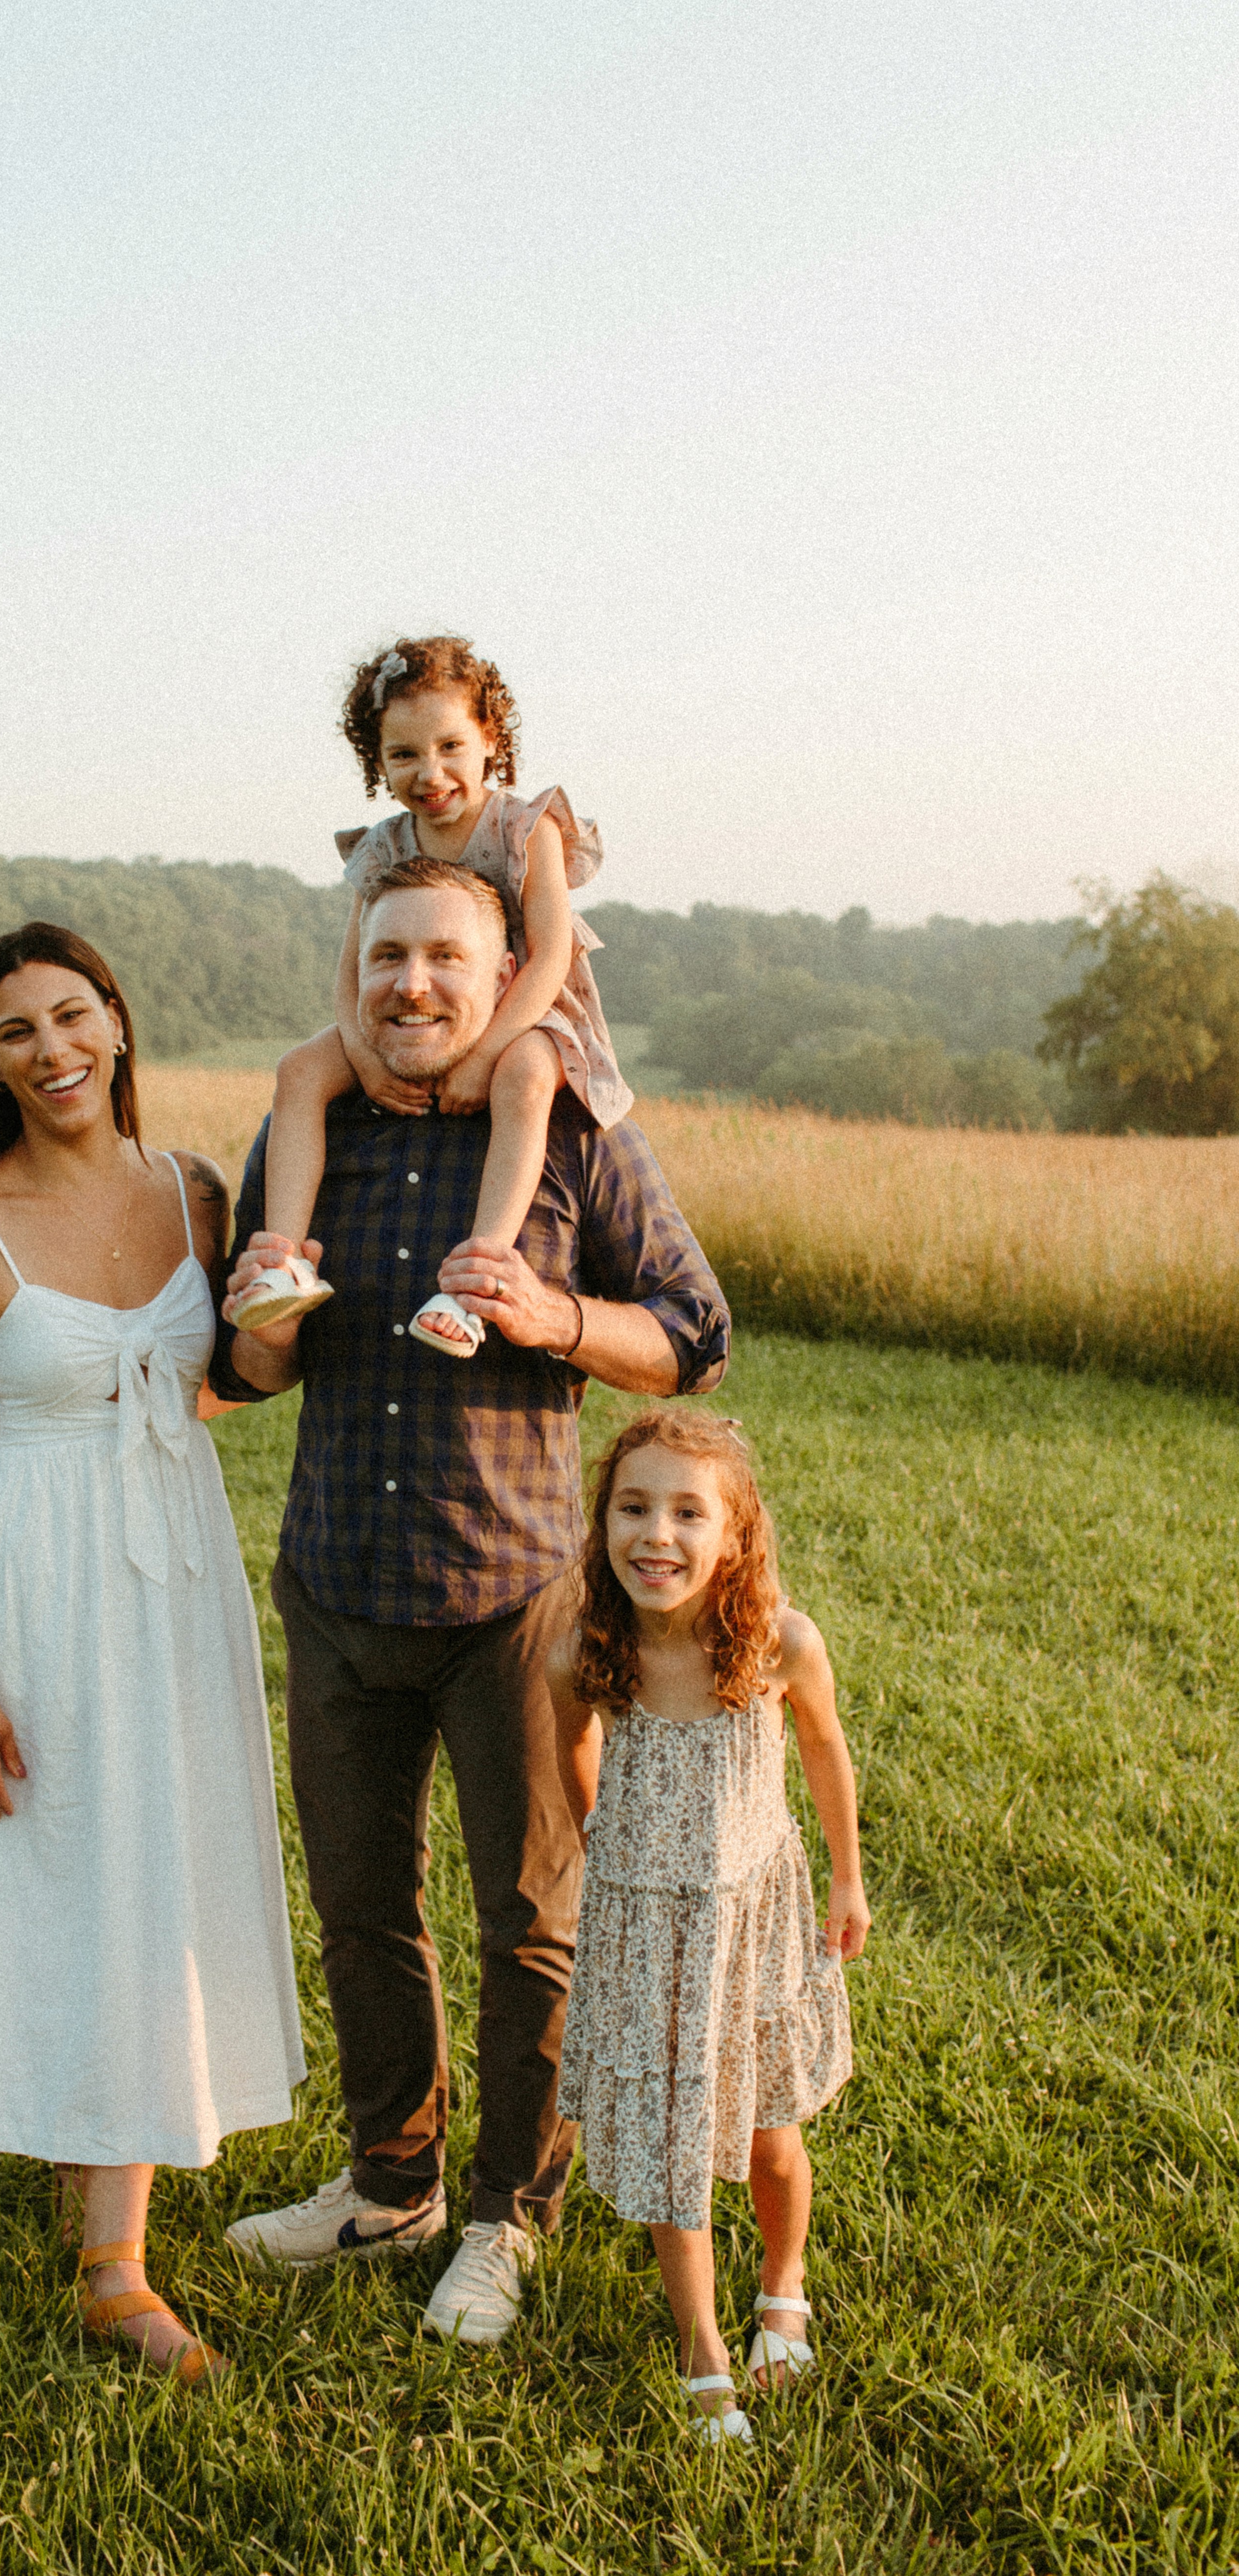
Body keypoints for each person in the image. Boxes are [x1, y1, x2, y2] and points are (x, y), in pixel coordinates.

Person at [214, 857, 730, 2346]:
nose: (412, 983)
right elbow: (253, 1379)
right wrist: (256, 1312)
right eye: (387, 955)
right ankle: (391, 2183)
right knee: (362, 1906)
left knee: (529, 1922)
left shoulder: (569, 1135)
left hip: (511, 1602)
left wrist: (555, 1315)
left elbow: (694, 1333)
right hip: (335, 1589)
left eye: (446, 955)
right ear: (354, 969)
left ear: (508, 972)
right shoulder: (309, 1132)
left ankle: (508, 2214)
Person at [0, 920, 305, 2387]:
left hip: (175, 1568)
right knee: (68, 1853)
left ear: (118, 1026)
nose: (52, 1050)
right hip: (35, 1578)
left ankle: (105, 2198)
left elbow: (221, 1388)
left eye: (73, 1017)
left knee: (158, 1856)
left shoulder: (193, 1191)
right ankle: (115, 2265)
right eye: (17, 1032)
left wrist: (272, 1331)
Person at [551, 1411, 868, 2446]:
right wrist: (608, 1836)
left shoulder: (780, 1641)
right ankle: (703, 2350)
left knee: (770, 2135)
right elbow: (571, 1753)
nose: (657, 1534)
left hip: (754, 1918)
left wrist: (846, 1883)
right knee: (669, 2143)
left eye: (690, 1512)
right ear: (601, 1524)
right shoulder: (587, 1652)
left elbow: (823, 1753)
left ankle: (784, 2281)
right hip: (648, 1929)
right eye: (633, 1507)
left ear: (734, 1534)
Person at [231, 634, 633, 1356]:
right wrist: (364, 1057)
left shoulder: (524, 826)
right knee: (298, 1069)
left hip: (523, 1012)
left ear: (490, 740)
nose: (430, 771)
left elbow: (547, 957)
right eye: (404, 755)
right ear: (376, 762)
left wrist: (485, 1055)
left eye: (450, 745)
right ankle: (284, 1262)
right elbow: (353, 970)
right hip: (403, 1017)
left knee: (528, 1076)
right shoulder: (385, 845)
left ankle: (472, 1284)